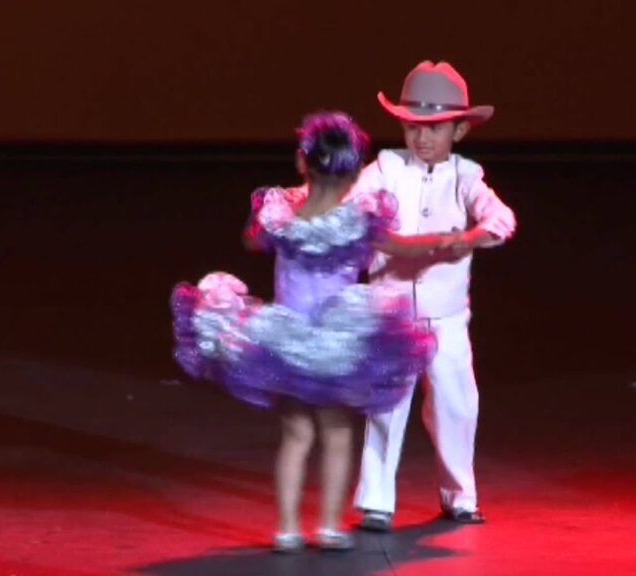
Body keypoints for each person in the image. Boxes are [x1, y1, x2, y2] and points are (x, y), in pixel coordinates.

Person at [170, 111, 449, 552]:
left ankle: (286, 528)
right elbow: (399, 247)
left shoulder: (280, 215)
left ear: (303, 162)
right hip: (336, 344)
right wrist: (446, 241)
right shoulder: (356, 219)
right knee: (336, 433)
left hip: (287, 342)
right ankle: (330, 526)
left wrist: (278, 217)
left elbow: (250, 240)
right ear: (355, 172)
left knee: (296, 435)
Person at [353, 61, 517, 530]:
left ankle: (459, 494)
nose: (422, 138)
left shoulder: (465, 176)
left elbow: (499, 216)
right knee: (385, 403)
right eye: (412, 127)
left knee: (455, 404)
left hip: (445, 318)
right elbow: (358, 205)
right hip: (392, 313)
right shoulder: (386, 168)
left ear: (459, 129)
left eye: (434, 128)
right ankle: (376, 499)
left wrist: (476, 235)